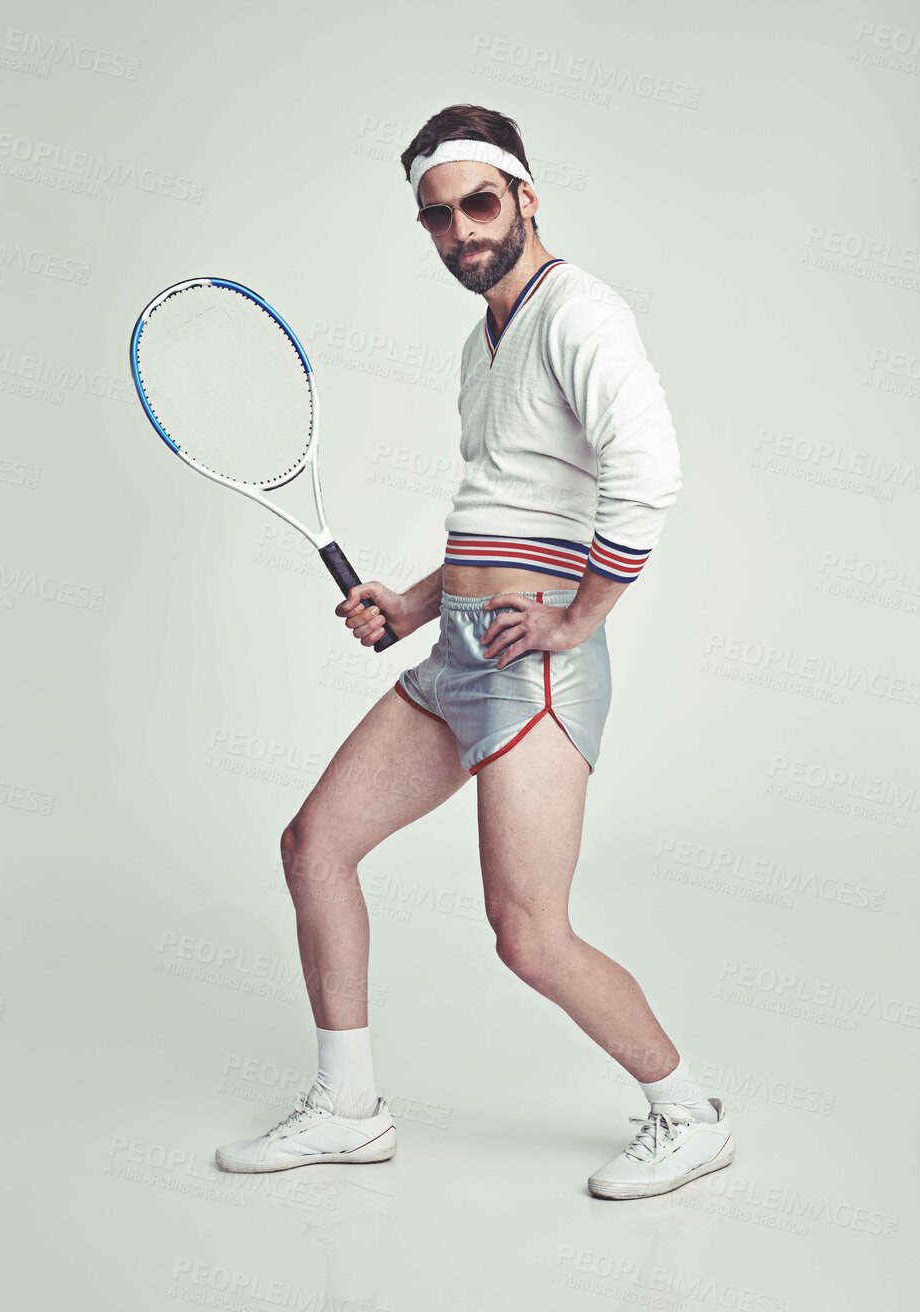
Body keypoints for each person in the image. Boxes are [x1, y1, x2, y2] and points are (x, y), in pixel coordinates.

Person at [213, 104, 733, 1199]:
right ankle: (348, 1108)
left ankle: (688, 1114)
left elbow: (650, 473)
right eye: (438, 218)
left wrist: (578, 617)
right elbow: (503, 514)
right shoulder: (482, 338)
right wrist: (408, 603)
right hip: (458, 649)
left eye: (480, 205)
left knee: (529, 933)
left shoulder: (580, 315)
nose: (462, 233)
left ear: (527, 195)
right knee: (314, 846)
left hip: (531, 665)